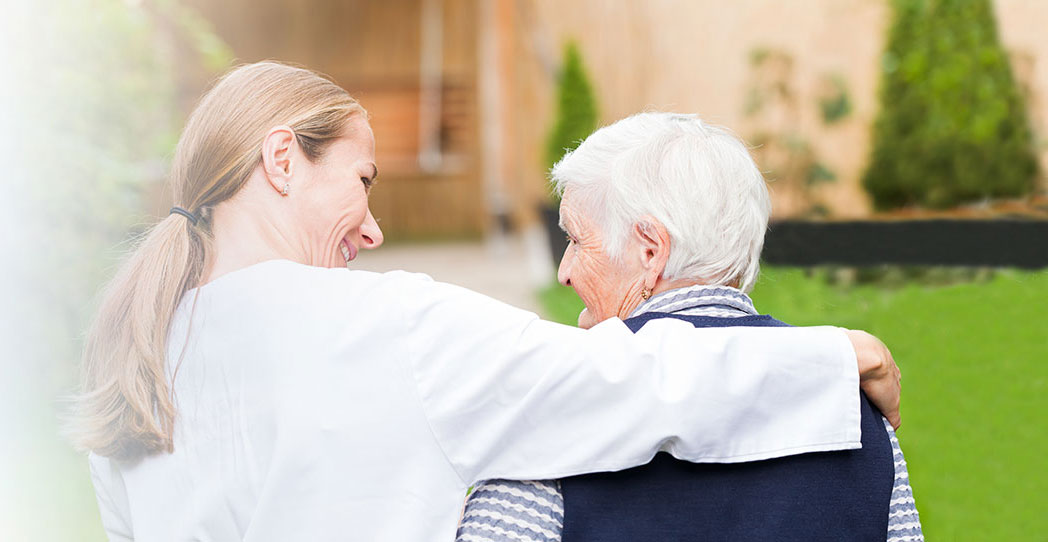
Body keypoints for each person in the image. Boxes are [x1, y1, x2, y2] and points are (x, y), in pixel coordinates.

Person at [72, 63, 901, 542]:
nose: (372, 229)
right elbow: (632, 380)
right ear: (282, 160)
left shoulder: (133, 372)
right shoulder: (388, 328)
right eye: (361, 182)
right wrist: (837, 355)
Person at [457, 113, 922, 542]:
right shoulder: (850, 400)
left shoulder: (557, 401)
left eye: (576, 240)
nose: (565, 271)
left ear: (649, 250)